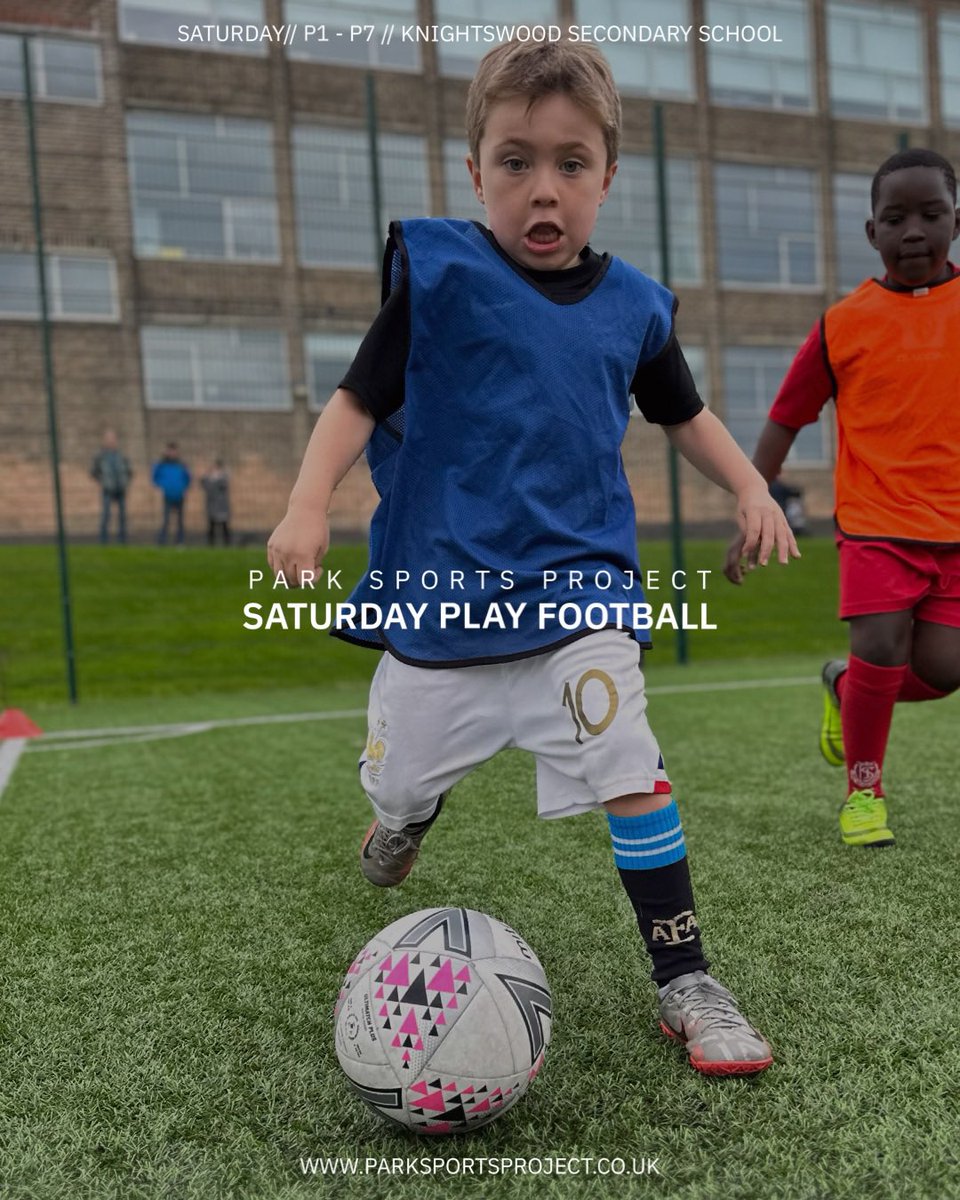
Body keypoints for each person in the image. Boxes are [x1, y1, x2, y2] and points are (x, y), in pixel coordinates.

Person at [269, 39, 797, 1075]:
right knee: (398, 783)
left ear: (608, 177)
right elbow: (358, 397)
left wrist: (749, 488)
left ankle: (687, 979)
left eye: (570, 163)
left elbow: (684, 415)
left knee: (631, 763)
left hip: (579, 595)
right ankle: (407, 814)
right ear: (477, 175)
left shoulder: (635, 306)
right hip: (446, 604)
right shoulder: (443, 278)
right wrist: (303, 502)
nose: (542, 189)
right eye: (516, 162)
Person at [724, 148, 960, 849]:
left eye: (931, 214)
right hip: (876, 521)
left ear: (956, 222)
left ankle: (843, 687)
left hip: (954, 526)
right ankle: (864, 792)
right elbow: (785, 418)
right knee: (880, 644)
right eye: (895, 218)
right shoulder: (843, 324)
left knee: (945, 669)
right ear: (871, 232)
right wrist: (754, 501)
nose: (912, 230)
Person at [90, 428, 132, 544]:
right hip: (108, 489)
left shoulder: (121, 456)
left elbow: (129, 471)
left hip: (121, 488)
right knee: (106, 515)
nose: (111, 441)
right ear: (104, 441)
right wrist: (102, 481)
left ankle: (122, 540)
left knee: (122, 516)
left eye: (113, 438)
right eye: (108, 439)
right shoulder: (100, 456)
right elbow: (93, 472)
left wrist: (125, 481)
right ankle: (103, 540)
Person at [152, 441, 191, 545]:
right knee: (166, 520)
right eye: (170, 451)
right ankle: (162, 541)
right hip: (167, 495)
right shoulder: (161, 464)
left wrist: (185, 488)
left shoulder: (182, 464)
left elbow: (188, 478)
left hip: (179, 495)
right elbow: (155, 477)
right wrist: (160, 487)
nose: (172, 453)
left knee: (180, 521)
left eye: (174, 451)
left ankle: (180, 541)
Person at [201, 458, 231, 546]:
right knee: (211, 526)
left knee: (224, 526)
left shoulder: (223, 478)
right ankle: (211, 545)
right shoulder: (209, 479)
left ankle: (227, 544)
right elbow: (203, 483)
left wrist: (218, 478)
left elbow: (224, 485)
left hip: (222, 506)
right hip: (212, 506)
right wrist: (209, 477)